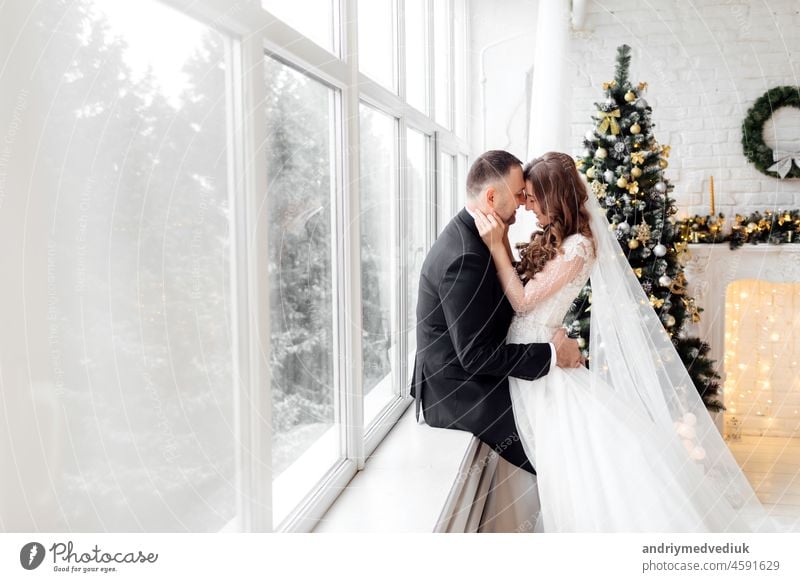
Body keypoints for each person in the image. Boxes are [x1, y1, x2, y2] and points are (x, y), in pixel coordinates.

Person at [473, 151, 781, 532]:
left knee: (584, 470)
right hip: (533, 362)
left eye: (533, 198)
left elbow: (522, 300)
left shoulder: (577, 247)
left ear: (556, 198)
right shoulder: (558, 240)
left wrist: (497, 245)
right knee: (567, 470)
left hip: (543, 370)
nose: (527, 205)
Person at [410, 150, 582, 476]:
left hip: (473, 371)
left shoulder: (479, 236)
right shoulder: (465, 256)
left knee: (575, 417)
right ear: (491, 197)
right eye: (519, 195)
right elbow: (475, 357)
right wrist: (551, 354)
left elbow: (501, 306)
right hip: (460, 390)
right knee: (566, 447)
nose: (523, 203)